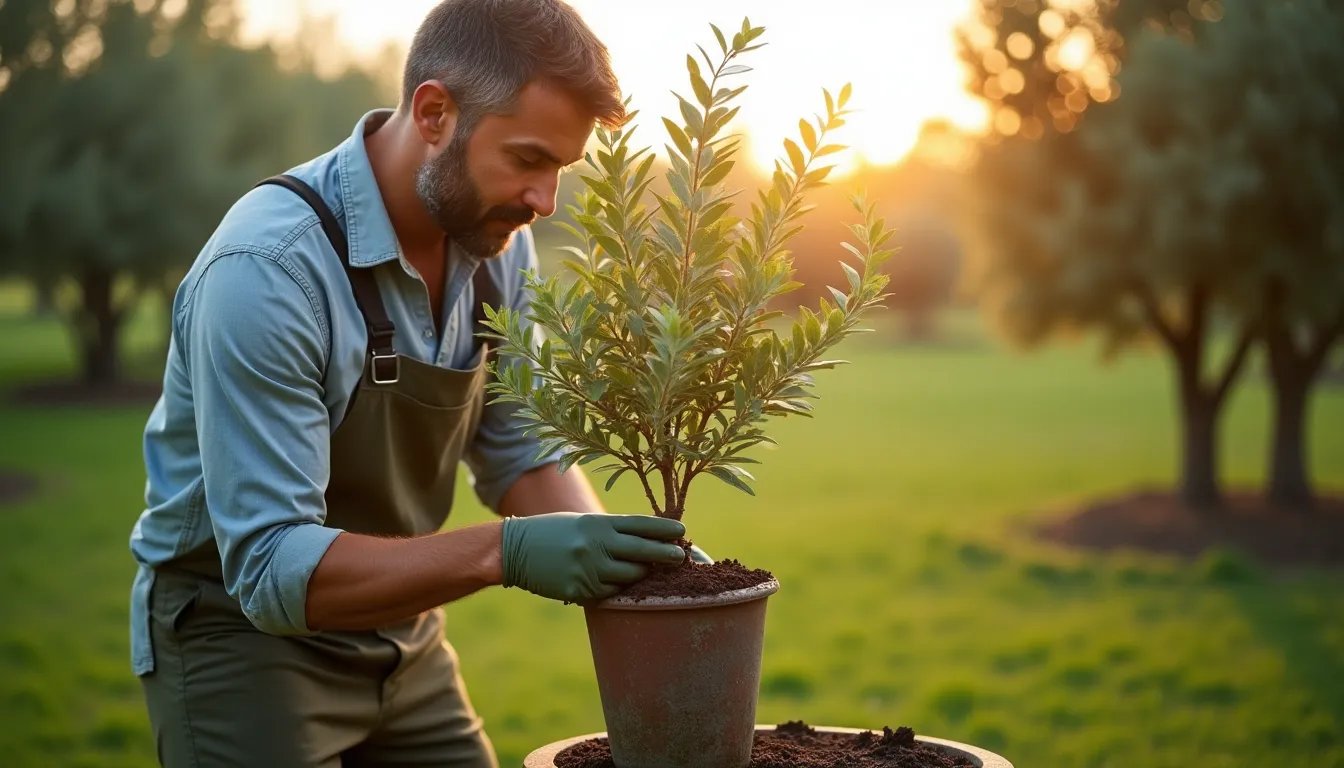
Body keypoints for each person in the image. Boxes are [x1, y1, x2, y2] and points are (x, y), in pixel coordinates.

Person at [128, 1, 695, 765]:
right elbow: (270, 568)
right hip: (242, 638)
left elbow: (517, 452)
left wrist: (642, 573)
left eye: (560, 169)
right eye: (528, 160)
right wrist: (510, 553)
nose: (545, 201)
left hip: (404, 627)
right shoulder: (268, 272)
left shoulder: (497, 246)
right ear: (434, 112)